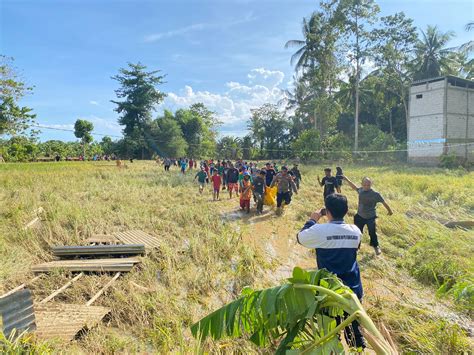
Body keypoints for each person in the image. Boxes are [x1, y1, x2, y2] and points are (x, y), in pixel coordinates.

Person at [297, 193, 366, 350]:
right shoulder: (355, 230)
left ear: (327, 212)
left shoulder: (319, 230)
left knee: (329, 334)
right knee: (355, 334)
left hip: (328, 293)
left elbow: (300, 237)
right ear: (346, 210)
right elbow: (357, 248)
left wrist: (313, 219)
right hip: (353, 291)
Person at [343, 176, 393, 255]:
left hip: (370, 217)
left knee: (372, 232)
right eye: (365, 185)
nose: (366, 186)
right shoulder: (360, 190)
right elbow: (354, 186)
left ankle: (376, 246)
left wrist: (390, 211)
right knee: (357, 232)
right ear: (362, 184)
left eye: (368, 185)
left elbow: (384, 202)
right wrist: (346, 179)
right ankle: (356, 247)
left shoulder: (375, 194)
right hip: (359, 216)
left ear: (371, 184)